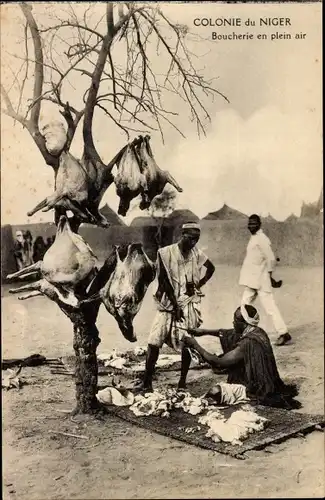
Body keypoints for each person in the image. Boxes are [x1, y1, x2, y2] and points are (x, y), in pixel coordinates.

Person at [135, 222, 215, 392]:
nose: (194, 242)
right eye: (191, 238)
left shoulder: (196, 253)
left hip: (188, 303)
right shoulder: (165, 253)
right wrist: (175, 305)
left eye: (197, 239)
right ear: (183, 235)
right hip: (167, 304)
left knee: (187, 342)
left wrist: (200, 284)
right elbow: (164, 280)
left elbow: (211, 268)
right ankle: (147, 382)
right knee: (154, 341)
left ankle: (182, 382)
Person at [184, 304, 300, 409]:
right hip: (264, 383)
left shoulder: (247, 343)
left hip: (255, 389)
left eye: (235, 320)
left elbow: (219, 362)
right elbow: (227, 333)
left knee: (215, 392)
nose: (233, 323)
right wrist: (203, 331)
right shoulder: (258, 331)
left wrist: (195, 345)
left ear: (244, 323)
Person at [239, 214, 291, 346]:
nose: (251, 226)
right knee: (244, 305)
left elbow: (271, 258)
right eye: (249, 223)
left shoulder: (262, 239)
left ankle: (283, 333)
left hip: (261, 281)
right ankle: (244, 333)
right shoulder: (254, 238)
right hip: (252, 280)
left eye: (254, 223)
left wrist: (269, 276)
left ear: (259, 224)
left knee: (270, 308)